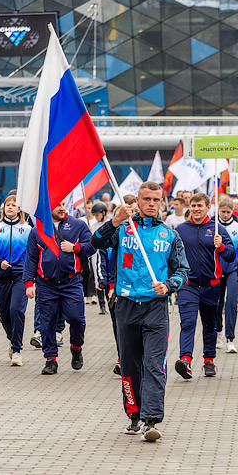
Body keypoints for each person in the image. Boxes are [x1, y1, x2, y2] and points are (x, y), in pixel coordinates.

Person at [91, 181, 189, 442]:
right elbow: (95, 242)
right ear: (139, 201)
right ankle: (134, 414)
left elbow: (183, 270)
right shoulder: (124, 229)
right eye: (147, 199)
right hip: (125, 305)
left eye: (156, 200)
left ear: (162, 201)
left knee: (155, 364)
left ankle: (152, 419)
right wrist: (113, 222)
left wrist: (169, 285)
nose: (152, 204)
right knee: (129, 365)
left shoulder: (170, 235)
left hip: (156, 307)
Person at [23, 200, 94, 375]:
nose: (62, 208)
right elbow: (31, 258)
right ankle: (51, 359)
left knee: (77, 319)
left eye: (64, 204)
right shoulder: (37, 231)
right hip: (46, 284)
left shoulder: (78, 225)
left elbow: (91, 246)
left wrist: (75, 248)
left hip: (71, 282)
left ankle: (76, 347)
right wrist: (28, 283)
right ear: (48, 208)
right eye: (57, 205)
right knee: (47, 323)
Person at [174, 193, 235, 379]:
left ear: (208, 207)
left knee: (210, 325)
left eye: (200, 205)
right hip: (188, 285)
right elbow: (172, 256)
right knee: (188, 323)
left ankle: (209, 360)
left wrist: (222, 246)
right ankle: (185, 360)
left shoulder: (217, 229)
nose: (196, 209)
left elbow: (231, 255)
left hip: (211, 285)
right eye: (193, 206)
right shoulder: (180, 230)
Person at [0, 195, 31, 367]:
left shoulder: (28, 229)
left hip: (20, 275)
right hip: (2, 277)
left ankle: (17, 350)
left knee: (16, 310)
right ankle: (12, 338)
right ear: (3, 208)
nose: (10, 207)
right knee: (4, 315)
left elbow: (33, 254)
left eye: (14, 205)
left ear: (19, 209)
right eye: (8, 205)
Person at [215, 199, 238, 353]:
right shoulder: (213, 227)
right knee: (217, 303)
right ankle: (217, 332)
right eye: (223, 212)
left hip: (233, 268)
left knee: (231, 302)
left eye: (228, 212)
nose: (225, 215)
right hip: (217, 269)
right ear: (218, 210)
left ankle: (230, 338)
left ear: (233, 211)